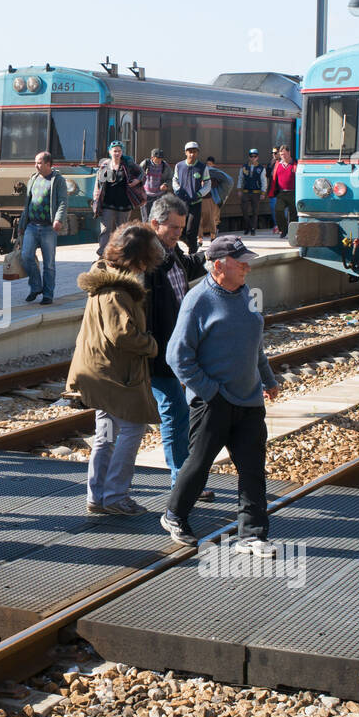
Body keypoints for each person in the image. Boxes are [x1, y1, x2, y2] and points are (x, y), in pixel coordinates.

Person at [162, 235, 281, 555]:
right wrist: (210, 391)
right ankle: (175, 515)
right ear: (218, 266)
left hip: (249, 400)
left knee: (253, 469)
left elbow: (255, 345)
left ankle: (252, 534)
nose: (247, 265)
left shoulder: (246, 295)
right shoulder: (198, 300)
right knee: (199, 465)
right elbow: (177, 357)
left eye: (246, 259)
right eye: (239, 260)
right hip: (213, 402)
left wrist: (268, 380)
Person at [67, 222, 165, 517]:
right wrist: (151, 345)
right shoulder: (118, 291)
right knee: (134, 427)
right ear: (138, 258)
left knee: (106, 433)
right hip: (113, 374)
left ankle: (98, 495)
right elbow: (122, 335)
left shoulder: (104, 277)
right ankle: (115, 495)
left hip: (100, 369)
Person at [144, 195, 213, 502]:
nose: (178, 234)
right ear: (154, 223)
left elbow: (184, 267)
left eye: (181, 228)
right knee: (174, 410)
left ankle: (183, 479)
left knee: (179, 410)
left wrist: (209, 257)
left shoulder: (172, 251)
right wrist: (151, 346)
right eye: (172, 227)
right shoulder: (145, 258)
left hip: (175, 347)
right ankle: (180, 482)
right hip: (158, 349)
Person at [20, 151, 66, 305]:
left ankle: (48, 294)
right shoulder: (33, 179)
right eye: (35, 162)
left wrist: (58, 219)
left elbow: (63, 202)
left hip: (48, 228)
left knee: (49, 263)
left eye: (39, 162)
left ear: (48, 164)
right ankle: (36, 287)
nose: (36, 165)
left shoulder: (57, 180)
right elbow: (27, 204)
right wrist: (22, 224)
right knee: (26, 256)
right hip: (32, 226)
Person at [92, 140, 142, 255]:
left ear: (122, 152)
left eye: (119, 151)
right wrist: (96, 196)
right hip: (108, 204)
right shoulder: (105, 165)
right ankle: (103, 253)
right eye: (115, 151)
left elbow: (141, 172)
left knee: (122, 230)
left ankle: (121, 253)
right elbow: (99, 182)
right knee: (106, 229)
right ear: (110, 152)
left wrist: (136, 181)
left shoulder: (127, 164)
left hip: (124, 204)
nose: (117, 153)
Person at [174, 142, 212, 255]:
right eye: (190, 152)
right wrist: (177, 190)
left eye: (194, 151)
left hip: (195, 202)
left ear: (197, 153)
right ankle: (189, 245)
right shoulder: (179, 166)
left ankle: (192, 253)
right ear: (186, 152)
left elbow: (207, 183)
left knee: (192, 230)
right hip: (181, 203)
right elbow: (174, 180)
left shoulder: (202, 167)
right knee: (180, 230)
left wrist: (200, 194)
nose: (192, 154)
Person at [200, 157, 235, 240]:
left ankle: (213, 236)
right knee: (203, 219)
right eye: (207, 164)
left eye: (210, 164)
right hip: (205, 199)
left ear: (213, 165)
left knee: (213, 219)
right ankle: (201, 238)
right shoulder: (205, 173)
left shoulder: (216, 174)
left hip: (213, 198)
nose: (209, 166)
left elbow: (228, 181)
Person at [137, 148, 174, 222]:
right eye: (158, 158)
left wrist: (166, 185)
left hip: (159, 196)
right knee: (146, 219)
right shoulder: (146, 163)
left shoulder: (165, 166)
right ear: (152, 157)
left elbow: (171, 179)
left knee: (158, 217)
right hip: (146, 195)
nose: (159, 160)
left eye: (161, 158)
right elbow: (137, 174)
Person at [238, 150, 266, 236]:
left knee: (255, 212)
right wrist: (239, 189)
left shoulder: (261, 168)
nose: (253, 158)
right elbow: (240, 179)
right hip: (246, 191)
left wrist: (263, 192)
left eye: (255, 156)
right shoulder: (244, 167)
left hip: (256, 192)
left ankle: (253, 228)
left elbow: (264, 181)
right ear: (249, 157)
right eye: (251, 156)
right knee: (244, 210)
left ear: (257, 157)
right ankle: (247, 227)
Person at [272, 146, 297, 237]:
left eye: (285, 154)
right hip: (281, 193)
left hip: (293, 193)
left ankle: (291, 232)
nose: (283, 156)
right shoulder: (278, 164)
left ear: (289, 153)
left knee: (293, 214)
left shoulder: (295, 164)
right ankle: (283, 229)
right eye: (281, 154)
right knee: (278, 210)